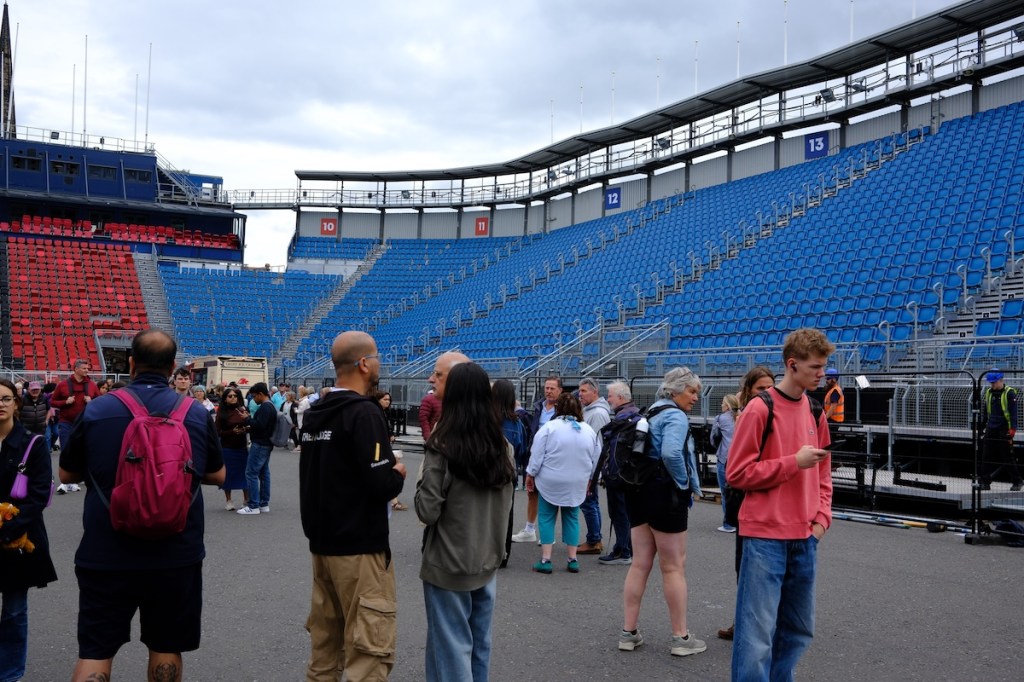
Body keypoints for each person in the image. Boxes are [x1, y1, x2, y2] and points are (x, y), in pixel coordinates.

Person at [58, 329, 225, 682]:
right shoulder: (195, 413)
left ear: (131, 364)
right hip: (176, 551)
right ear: (173, 368)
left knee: (96, 651)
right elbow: (218, 475)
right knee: (166, 647)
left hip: (107, 549)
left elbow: (67, 472)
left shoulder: (99, 409)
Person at [727, 328, 834, 681]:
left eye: (823, 366)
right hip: (764, 537)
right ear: (792, 364)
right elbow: (736, 473)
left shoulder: (816, 410)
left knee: (798, 630)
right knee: (756, 637)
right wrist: (793, 463)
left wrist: (822, 519)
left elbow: (824, 474)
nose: (822, 373)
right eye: (815, 366)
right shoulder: (760, 408)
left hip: (805, 537)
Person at [299, 331, 407, 681]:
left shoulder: (316, 412)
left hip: (323, 546)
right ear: (363, 363)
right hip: (359, 548)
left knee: (325, 652)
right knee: (368, 655)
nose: (379, 365)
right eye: (376, 358)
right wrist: (398, 473)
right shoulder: (364, 413)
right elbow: (380, 483)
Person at [416, 362, 516, 681]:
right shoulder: (503, 447)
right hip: (487, 558)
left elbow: (427, 510)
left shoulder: (443, 446)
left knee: (450, 648)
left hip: (449, 561)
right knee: (478, 646)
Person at [619, 367, 706, 658]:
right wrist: (683, 484)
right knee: (673, 567)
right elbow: (670, 453)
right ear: (675, 390)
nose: (695, 397)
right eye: (691, 391)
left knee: (639, 563)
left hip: (639, 490)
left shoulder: (651, 411)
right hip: (665, 494)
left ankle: (628, 633)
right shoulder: (675, 416)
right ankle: (681, 637)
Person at [0, 378, 58, 682]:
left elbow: (38, 495)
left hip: (18, 538)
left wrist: (8, 529)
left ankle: (9, 673)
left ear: (16, 404)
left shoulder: (32, 443)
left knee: (14, 610)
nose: (0, 404)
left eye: (5, 399)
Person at [718, 366, 776, 642]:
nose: (767, 393)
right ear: (748, 391)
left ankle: (762, 623)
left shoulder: (777, 415)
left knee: (769, 567)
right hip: (748, 500)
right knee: (745, 565)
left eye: (770, 387)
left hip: (772, 500)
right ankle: (744, 621)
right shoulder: (744, 417)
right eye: (760, 388)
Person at [525, 392, 600, 574]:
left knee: (546, 517)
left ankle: (546, 559)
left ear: (558, 409)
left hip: (550, 479)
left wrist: (530, 473)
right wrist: (591, 478)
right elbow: (596, 456)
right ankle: (572, 559)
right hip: (577, 480)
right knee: (572, 517)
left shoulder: (549, 427)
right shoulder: (588, 430)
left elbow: (537, 454)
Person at [511, 375, 563, 544]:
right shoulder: (539, 406)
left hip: (553, 456)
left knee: (550, 496)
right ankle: (529, 530)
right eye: (547, 388)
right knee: (531, 492)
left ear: (560, 390)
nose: (548, 391)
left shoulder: (563, 409)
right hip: (535, 453)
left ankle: (548, 534)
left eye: (552, 388)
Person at [596, 380, 639, 566]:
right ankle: (627, 547)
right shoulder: (633, 416)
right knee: (626, 512)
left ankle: (623, 550)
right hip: (629, 475)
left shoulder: (623, 419)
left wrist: (610, 474)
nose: (608, 399)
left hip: (618, 475)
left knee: (619, 513)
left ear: (620, 398)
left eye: (610, 396)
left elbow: (615, 451)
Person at [492, 379, 529, 567]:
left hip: (487, 471)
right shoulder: (517, 423)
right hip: (508, 473)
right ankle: (503, 554)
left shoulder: (487, 419)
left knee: (486, 512)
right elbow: (522, 451)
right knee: (507, 512)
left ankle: (486, 551)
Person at [52, 359, 99, 493]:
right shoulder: (62, 385)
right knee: (66, 450)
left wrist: (92, 401)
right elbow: (53, 401)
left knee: (84, 450)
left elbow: (100, 401)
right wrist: (65, 402)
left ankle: (78, 477)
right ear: (76, 369)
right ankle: (65, 481)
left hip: (85, 422)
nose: (87, 370)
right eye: (84, 368)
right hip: (66, 422)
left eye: (87, 368)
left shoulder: (92, 385)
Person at [578, 377, 612, 555]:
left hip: (590, 468)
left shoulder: (597, 414)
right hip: (590, 467)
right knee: (591, 503)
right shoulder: (591, 410)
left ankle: (593, 540)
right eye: (579, 391)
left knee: (588, 503)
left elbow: (597, 446)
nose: (580, 394)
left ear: (595, 392)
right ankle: (595, 538)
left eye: (584, 391)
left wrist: (592, 474)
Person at [979, 368, 1023, 491]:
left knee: (1007, 456)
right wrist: (982, 426)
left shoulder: (1010, 393)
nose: (992, 385)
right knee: (986, 455)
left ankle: (1017, 481)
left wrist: (1012, 430)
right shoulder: (989, 393)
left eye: (994, 382)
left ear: (1001, 380)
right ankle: (985, 482)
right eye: (991, 383)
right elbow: (986, 411)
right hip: (991, 427)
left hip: (1004, 428)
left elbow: (1013, 414)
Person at [237, 383, 276, 515]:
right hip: (266, 442)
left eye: (254, 396)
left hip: (260, 443)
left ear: (260, 394)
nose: (253, 399)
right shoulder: (270, 405)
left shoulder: (265, 407)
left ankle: (253, 505)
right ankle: (263, 503)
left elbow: (259, 425)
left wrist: (247, 419)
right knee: (264, 473)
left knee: (251, 473)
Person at [215, 387, 250, 511]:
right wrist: (232, 431)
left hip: (241, 447)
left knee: (244, 474)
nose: (233, 398)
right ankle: (229, 501)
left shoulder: (242, 409)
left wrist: (245, 428)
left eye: (235, 396)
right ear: (225, 399)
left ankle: (246, 500)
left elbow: (250, 425)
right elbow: (217, 432)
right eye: (230, 396)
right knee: (228, 475)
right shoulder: (221, 412)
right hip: (227, 448)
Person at [711, 394, 741, 533]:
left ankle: (729, 524)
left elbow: (713, 440)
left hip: (725, 458)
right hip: (740, 458)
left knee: (725, 492)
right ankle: (741, 521)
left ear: (727, 406)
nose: (721, 405)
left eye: (723, 403)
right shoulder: (743, 416)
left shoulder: (720, 418)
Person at [375, 390, 407, 511]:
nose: (387, 402)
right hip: (380, 448)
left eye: (389, 400)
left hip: (385, 445)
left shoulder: (384, 412)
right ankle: (394, 501)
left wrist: (391, 434)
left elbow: (387, 427)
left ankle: (394, 501)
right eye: (385, 399)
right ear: (378, 400)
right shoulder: (376, 413)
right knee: (389, 470)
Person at [19, 381, 50, 450]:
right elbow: (17, 412)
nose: (35, 391)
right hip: (26, 429)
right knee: (27, 447)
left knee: (39, 447)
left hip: (41, 428)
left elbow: (49, 410)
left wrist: (46, 421)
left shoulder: (44, 398)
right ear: (29, 390)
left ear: (40, 389)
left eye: (37, 389)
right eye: (33, 389)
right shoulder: (23, 399)